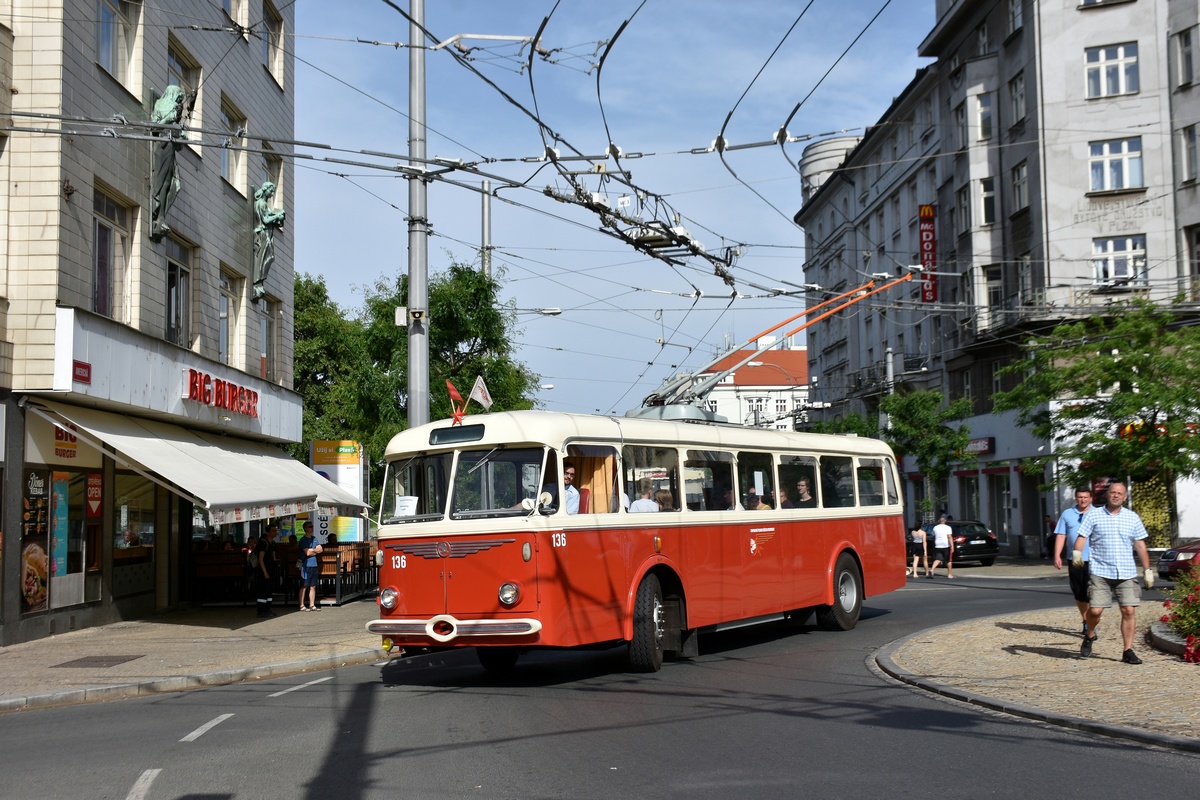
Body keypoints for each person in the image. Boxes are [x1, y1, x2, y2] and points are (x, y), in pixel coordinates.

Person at [1073, 481, 1153, 664]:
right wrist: (1077, 552)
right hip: (1100, 570)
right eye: (1113, 492)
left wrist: (1147, 569)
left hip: (1126, 572)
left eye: (1120, 493)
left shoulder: (1132, 518)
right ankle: (1090, 634)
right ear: (1107, 495)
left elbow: (1140, 544)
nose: (1116, 495)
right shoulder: (1094, 516)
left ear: (1125, 497)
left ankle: (1128, 650)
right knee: (1095, 610)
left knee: (1128, 610)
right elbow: (1082, 537)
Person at [1053, 488, 1099, 637]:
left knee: (1095, 592)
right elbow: (1061, 535)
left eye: (1086, 497)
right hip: (1075, 559)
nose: (1083, 500)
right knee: (1079, 593)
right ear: (1076, 498)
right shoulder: (1067, 514)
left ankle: (1092, 623)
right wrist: (1057, 555)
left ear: (1091, 498)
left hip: (1096, 559)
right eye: (1080, 497)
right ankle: (1086, 620)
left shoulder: (1099, 514)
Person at [252, 181, 286, 302]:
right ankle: (258, 283)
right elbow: (266, 220)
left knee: (269, 257)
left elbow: (269, 217)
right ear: (265, 189)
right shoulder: (261, 203)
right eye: (271, 190)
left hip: (267, 234)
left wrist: (278, 215)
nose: (272, 193)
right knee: (264, 258)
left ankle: (259, 282)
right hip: (263, 234)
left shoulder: (264, 204)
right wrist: (277, 216)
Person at [297, 521, 323, 611]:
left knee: (313, 586)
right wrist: (314, 550)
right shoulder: (303, 540)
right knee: (304, 585)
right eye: (310, 526)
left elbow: (321, 549)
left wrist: (313, 550)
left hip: (314, 565)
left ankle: (312, 605)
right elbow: (307, 553)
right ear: (305, 529)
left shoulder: (315, 538)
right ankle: (302, 605)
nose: (312, 528)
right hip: (306, 565)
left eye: (312, 526)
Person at [255, 523, 278, 618]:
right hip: (263, 571)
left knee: (269, 591)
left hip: (270, 569)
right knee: (263, 591)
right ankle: (261, 610)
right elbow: (260, 559)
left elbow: (273, 556)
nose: (275, 532)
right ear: (268, 532)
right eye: (273, 530)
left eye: (275, 530)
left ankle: (267, 608)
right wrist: (264, 572)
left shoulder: (272, 543)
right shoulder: (263, 543)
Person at [928, 514, 955, 579]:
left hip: (938, 545)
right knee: (949, 560)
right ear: (945, 520)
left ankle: (932, 570)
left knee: (938, 559)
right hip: (945, 545)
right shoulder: (948, 528)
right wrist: (952, 545)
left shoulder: (935, 527)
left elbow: (933, 537)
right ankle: (949, 574)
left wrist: (935, 543)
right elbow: (949, 537)